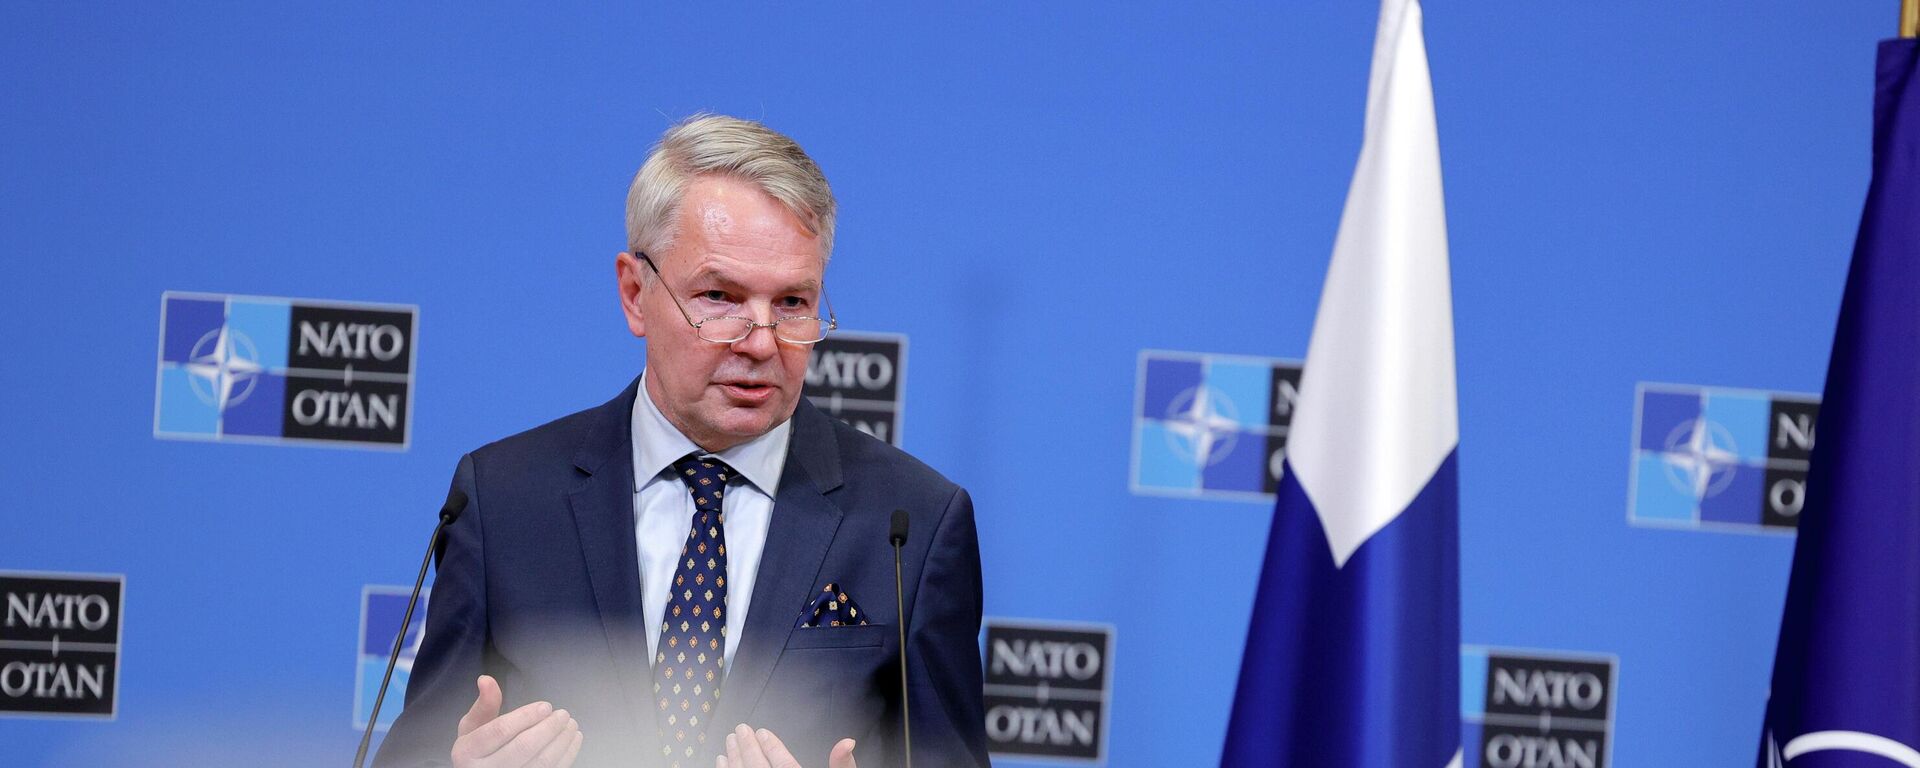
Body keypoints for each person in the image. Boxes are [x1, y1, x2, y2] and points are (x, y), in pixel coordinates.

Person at [375, 115, 989, 768]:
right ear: (635, 293)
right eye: (720, 296)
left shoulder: (912, 524)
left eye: (791, 303)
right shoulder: (502, 500)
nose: (760, 342)